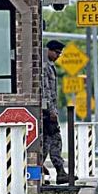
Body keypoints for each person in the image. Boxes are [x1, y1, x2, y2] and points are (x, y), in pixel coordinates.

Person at [42, 40, 70, 184]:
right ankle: (60, 172)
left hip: (48, 111)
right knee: (54, 139)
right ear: (49, 50)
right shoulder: (45, 66)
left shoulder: (49, 66)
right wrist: (51, 111)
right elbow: (46, 91)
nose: (58, 55)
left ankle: (43, 169)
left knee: (47, 142)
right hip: (46, 112)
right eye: (57, 52)